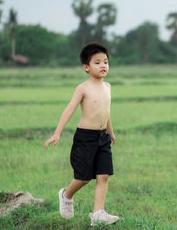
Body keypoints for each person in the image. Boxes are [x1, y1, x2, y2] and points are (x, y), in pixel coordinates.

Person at [43, 42, 119, 226]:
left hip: (103, 137)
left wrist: (110, 131)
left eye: (106, 62)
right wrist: (57, 133)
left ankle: (98, 213)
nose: (103, 65)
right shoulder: (83, 88)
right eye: (97, 62)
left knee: (103, 175)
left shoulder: (108, 86)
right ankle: (66, 195)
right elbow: (69, 110)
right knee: (83, 177)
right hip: (85, 138)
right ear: (86, 67)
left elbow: (106, 111)